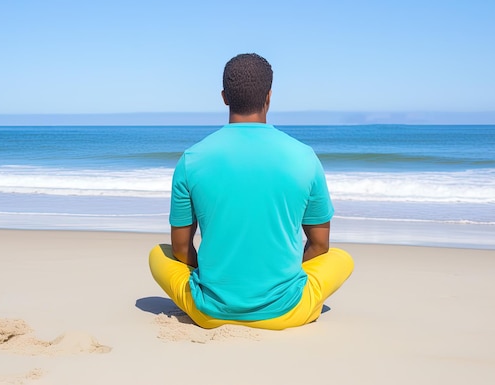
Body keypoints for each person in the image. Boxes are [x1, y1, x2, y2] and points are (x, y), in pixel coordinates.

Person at [149, 53, 354, 330]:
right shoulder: (304, 157)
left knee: (157, 254)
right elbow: (320, 245)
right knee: (342, 259)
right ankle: (289, 296)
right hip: (285, 313)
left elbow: (181, 248)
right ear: (269, 96)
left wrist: (214, 281)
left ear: (224, 97)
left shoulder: (192, 159)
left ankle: (222, 295)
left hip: (210, 312)